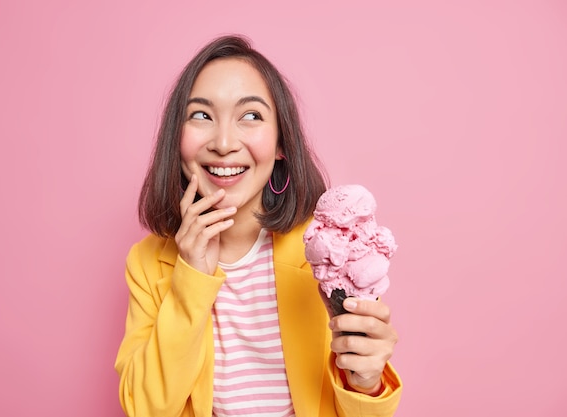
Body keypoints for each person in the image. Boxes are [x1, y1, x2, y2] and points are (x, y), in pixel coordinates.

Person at [114, 34, 402, 417]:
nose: (224, 142)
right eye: (201, 115)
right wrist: (191, 278)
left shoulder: (324, 250)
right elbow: (144, 409)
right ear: (175, 139)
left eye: (250, 115)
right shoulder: (148, 263)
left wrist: (366, 381)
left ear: (281, 143)